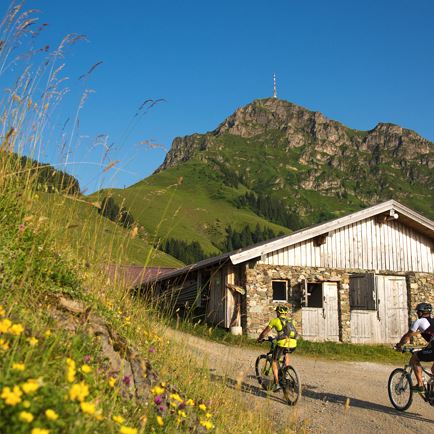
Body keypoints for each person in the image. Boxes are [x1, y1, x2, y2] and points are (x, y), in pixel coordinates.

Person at [257, 304, 297, 392]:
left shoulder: (275, 321)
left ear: (278, 312)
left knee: (274, 361)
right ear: (286, 313)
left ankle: (277, 383)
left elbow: (265, 332)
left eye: (276, 312)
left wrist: (260, 338)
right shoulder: (291, 321)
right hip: (293, 343)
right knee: (286, 353)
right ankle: (286, 370)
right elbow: (289, 333)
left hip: (282, 343)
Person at [396, 302, 434, 392]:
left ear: (421, 312)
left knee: (414, 358)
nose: (417, 313)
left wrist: (399, 345)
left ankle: (420, 385)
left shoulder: (419, 321)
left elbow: (407, 336)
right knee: (433, 370)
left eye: (418, 312)